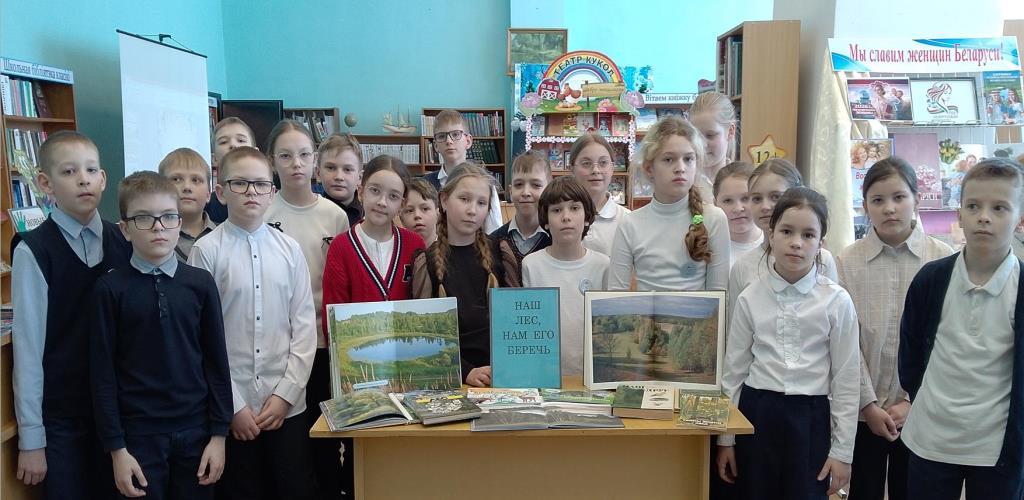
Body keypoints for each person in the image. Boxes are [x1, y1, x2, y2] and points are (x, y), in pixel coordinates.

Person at [91, 171, 232, 499]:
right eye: (144, 218)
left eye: (168, 217)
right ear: (125, 229)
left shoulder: (200, 284)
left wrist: (218, 435)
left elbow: (216, 362)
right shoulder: (109, 289)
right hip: (138, 437)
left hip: (197, 433)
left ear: (179, 222)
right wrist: (117, 448)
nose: (158, 227)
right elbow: (102, 374)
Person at [188, 147, 318, 500]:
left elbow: (304, 328)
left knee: (294, 488)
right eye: (240, 183)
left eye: (260, 184)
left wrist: (285, 395)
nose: (251, 192)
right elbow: (199, 338)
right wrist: (233, 405)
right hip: (232, 408)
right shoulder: (206, 251)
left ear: (272, 192)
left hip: (287, 405)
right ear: (221, 191)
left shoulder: (290, 250)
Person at [718, 187, 860, 499]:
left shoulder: (836, 301)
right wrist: (726, 440)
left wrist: (843, 452)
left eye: (808, 235)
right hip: (757, 414)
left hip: (811, 417)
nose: (796, 242)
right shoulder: (750, 297)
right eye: (786, 231)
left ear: (821, 243)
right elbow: (734, 372)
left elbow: (847, 380)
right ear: (771, 234)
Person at [12, 131, 131, 499]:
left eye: (91, 170)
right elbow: (28, 349)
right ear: (45, 183)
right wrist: (32, 438)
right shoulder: (34, 250)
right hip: (63, 417)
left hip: (120, 413)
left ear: (103, 179)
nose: (83, 179)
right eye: (69, 171)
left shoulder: (123, 241)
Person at [899, 158, 1024, 499]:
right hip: (931, 439)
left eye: (999, 208)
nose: (984, 216)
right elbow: (910, 355)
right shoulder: (931, 279)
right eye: (973, 206)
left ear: (1019, 219)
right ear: (959, 214)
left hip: (997, 447)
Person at [835, 158, 953, 500]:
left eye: (899, 197)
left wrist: (911, 401)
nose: (889, 208)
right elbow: (845, 343)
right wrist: (868, 404)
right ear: (865, 206)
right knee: (863, 490)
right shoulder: (846, 262)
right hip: (863, 411)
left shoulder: (943, 259)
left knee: (914, 490)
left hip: (921, 410)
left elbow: (944, 341)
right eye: (878, 200)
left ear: (917, 199)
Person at [412, 163, 515, 387]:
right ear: (444, 200)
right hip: (454, 378)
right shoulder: (426, 263)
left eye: (481, 203)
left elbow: (516, 321)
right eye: (464, 199)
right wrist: (466, 371)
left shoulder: (501, 252)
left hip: (504, 375)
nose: (472, 210)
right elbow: (425, 336)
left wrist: (507, 367)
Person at [608, 115, 730, 291]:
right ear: (649, 169)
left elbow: (719, 295)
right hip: (646, 310)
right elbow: (615, 294)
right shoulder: (630, 224)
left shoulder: (714, 219)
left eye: (688, 159)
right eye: (668, 159)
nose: (680, 168)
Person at [522, 176, 608, 376]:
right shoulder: (531, 265)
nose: (566, 217)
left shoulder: (603, 265)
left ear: (587, 217)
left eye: (574, 208)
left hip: (591, 374)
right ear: (546, 221)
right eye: (556, 210)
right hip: (545, 374)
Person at [423, 110, 502, 233]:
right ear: (436, 145)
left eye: (455, 134)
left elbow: (493, 230)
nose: (449, 141)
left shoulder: (485, 183)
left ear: (468, 141)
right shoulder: (425, 185)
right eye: (442, 136)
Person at [490, 150, 552, 283]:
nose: (526, 192)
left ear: (549, 190)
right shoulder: (494, 241)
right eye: (519, 185)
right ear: (511, 191)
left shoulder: (556, 240)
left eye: (536, 185)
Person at [569, 132, 630, 256]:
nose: (596, 170)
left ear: (612, 168)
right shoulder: (560, 216)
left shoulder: (628, 220)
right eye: (586, 163)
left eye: (603, 163)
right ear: (572, 169)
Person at [159, 148, 218, 261]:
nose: (187, 187)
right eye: (176, 179)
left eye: (195, 180)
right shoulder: (152, 238)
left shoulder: (226, 236)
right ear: (160, 190)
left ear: (208, 193)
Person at [206, 117, 257, 223]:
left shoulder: (268, 199)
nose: (233, 145)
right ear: (214, 159)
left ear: (256, 153)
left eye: (241, 140)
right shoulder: (206, 207)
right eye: (223, 142)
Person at [690, 91, 738, 199]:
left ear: (730, 131)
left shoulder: (744, 183)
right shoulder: (683, 182)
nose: (702, 144)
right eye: (696, 136)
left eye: (710, 135)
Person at [713, 161, 762, 267]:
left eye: (745, 198)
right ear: (715, 204)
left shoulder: (776, 244)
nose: (738, 208)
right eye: (728, 200)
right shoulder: (706, 248)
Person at [318, 133, 364, 224]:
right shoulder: (311, 213)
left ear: (359, 178)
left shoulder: (369, 214)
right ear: (318, 173)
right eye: (331, 168)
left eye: (347, 169)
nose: (339, 177)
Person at [400, 178, 440, 247]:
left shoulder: (453, 251)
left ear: (437, 214)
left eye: (425, 209)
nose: (417, 215)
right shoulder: (397, 252)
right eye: (410, 210)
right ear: (401, 219)